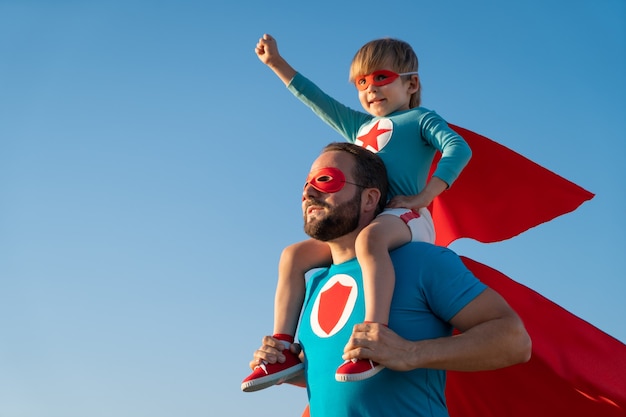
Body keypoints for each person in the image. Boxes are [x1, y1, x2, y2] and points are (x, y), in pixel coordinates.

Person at [241, 34, 472, 389]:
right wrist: (276, 63)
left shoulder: (420, 119)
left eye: (381, 77)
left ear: (411, 83)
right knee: (293, 255)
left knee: (370, 240)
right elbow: (315, 99)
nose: (370, 89)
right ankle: (284, 350)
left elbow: (458, 148)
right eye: (361, 83)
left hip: (405, 218)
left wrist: (424, 196)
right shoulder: (359, 127)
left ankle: (372, 339)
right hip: (365, 224)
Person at [246, 142, 531, 416]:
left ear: (369, 198)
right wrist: (286, 366)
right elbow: (333, 377)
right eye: (306, 185)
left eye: (325, 180)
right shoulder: (314, 282)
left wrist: (411, 352)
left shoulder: (421, 261)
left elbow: (515, 340)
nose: (309, 192)